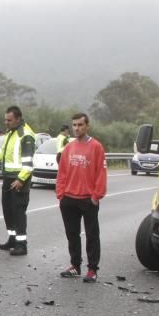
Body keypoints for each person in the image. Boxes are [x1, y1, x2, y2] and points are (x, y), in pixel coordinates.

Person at [56, 112, 107, 283]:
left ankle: (92, 269)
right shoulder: (69, 148)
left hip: (88, 199)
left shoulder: (96, 147)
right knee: (72, 234)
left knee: (92, 235)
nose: (77, 128)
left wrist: (96, 195)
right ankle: (75, 266)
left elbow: (101, 172)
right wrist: (61, 194)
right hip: (69, 198)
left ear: (87, 126)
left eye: (80, 125)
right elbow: (62, 172)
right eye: (74, 125)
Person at [0, 106, 36, 256]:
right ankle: (12, 238)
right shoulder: (11, 133)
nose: (6, 122)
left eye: (9, 120)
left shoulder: (25, 135)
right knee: (8, 211)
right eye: (5, 119)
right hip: (8, 177)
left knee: (18, 212)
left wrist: (21, 179)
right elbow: (4, 155)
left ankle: (21, 244)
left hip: (19, 179)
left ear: (18, 118)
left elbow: (28, 163)